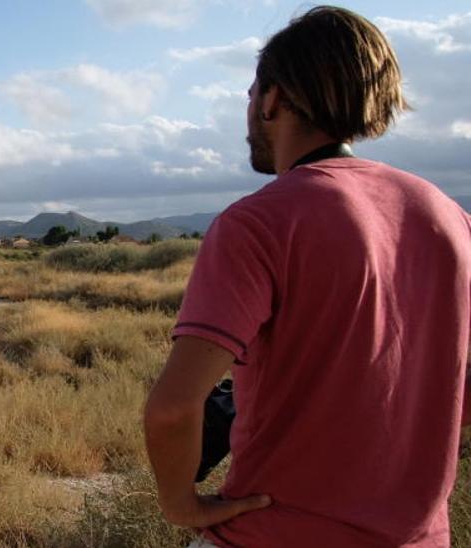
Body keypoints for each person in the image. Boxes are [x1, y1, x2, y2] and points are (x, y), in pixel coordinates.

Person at [143, 5, 471, 547]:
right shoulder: (451, 218)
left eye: (251, 95)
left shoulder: (258, 222)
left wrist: (179, 503)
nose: (249, 108)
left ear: (273, 98)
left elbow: (174, 408)